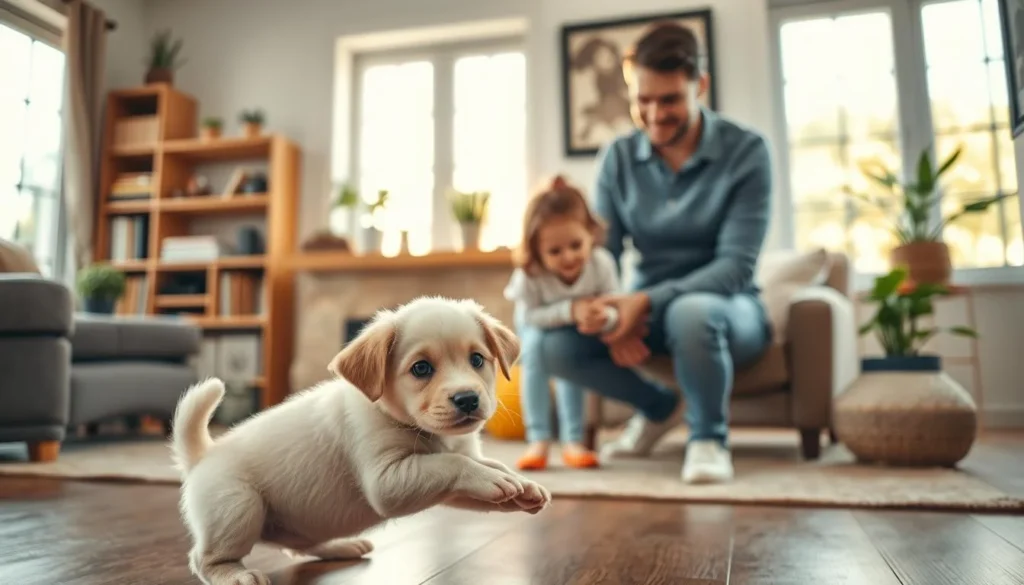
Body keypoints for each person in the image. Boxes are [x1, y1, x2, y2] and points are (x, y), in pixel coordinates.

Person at [530, 22, 774, 484]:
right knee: (551, 345)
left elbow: (736, 267)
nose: (655, 115)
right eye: (642, 100)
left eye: (670, 100)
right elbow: (602, 256)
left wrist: (644, 301)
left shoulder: (746, 151)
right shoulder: (617, 158)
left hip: (727, 310)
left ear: (700, 86)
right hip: (644, 311)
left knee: (691, 311)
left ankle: (708, 439)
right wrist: (609, 314)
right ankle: (659, 409)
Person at [504, 176, 644, 471]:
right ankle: (538, 439)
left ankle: (573, 441)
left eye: (576, 245)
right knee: (537, 354)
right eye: (555, 252)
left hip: (576, 329)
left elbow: (615, 305)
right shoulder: (530, 273)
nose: (568, 257)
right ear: (536, 250)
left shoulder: (601, 264)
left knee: (568, 362)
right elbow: (530, 316)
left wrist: (606, 318)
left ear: (591, 234)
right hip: (536, 324)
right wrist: (571, 310)